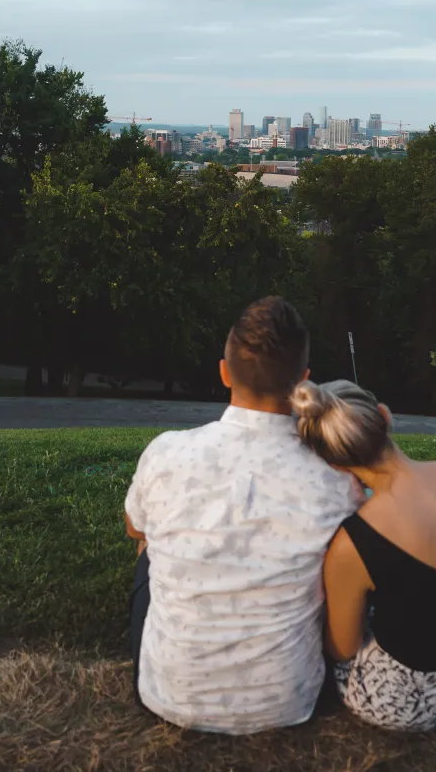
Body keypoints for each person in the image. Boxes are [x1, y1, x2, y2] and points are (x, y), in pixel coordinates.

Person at [124, 298, 363, 735]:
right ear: (303, 381)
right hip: (287, 700)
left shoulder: (166, 452)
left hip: (168, 695)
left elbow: (134, 529)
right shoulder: (336, 478)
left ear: (224, 372)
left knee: (147, 546)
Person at [291, 379, 436, 733]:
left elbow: (344, 649)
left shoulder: (354, 541)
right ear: (384, 416)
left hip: (403, 704)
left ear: (334, 463)